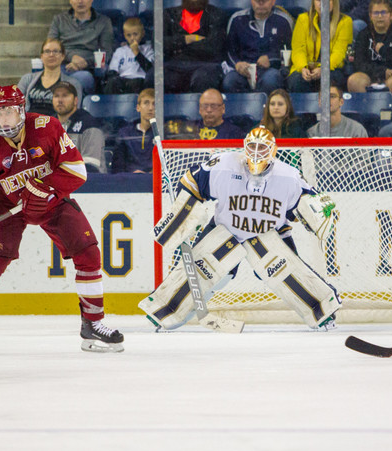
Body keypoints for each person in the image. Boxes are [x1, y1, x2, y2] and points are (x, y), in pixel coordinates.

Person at [0, 85, 123, 353]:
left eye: (9, 112)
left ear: (21, 110)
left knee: (88, 253)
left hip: (50, 199)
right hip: (8, 203)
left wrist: (47, 190)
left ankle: (93, 323)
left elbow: (77, 170)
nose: (4, 119)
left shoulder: (47, 127)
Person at [139, 127, 340, 331]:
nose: (256, 152)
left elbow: (307, 205)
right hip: (226, 230)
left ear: (273, 150)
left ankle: (322, 310)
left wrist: (316, 213)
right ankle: (164, 309)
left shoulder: (289, 177)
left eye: (262, 148)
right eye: (252, 146)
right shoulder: (224, 165)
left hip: (269, 234)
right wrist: (186, 212)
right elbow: (191, 182)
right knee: (200, 271)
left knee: (288, 273)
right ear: (244, 146)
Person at [223, 0, 294, 94]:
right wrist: (237, 64)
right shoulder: (237, 19)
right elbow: (228, 51)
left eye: (265, 0)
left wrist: (271, 59)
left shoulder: (284, 21)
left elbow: (290, 51)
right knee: (230, 81)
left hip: (272, 69)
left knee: (271, 80)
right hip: (243, 69)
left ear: (273, 1)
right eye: (257, 0)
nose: (260, 3)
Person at [47, 0, 114, 96]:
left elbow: (106, 53)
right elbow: (51, 47)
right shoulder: (59, 19)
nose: (80, 1)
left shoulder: (104, 21)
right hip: (62, 66)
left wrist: (85, 63)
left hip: (89, 69)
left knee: (83, 78)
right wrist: (72, 57)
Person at [346, 0, 392, 94]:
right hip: (371, 75)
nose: (379, 16)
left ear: (391, 15)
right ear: (370, 16)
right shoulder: (364, 34)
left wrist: (384, 51)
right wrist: (382, 71)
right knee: (354, 81)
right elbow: (359, 63)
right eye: (376, 13)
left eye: (383, 12)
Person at [287, 0, 354, 93]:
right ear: (313, 2)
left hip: (331, 68)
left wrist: (323, 69)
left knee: (332, 78)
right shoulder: (303, 19)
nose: (322, 3)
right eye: (318, 0)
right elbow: (298, 50)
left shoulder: (345, 21)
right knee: (297, 81)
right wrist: (303, 67)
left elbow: (339, 52)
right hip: (306, 68)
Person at [163, 0, 227, 93]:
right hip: (175, 65)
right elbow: (158, 44)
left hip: (206, 64)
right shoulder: (168, 14)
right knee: (154, 77)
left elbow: (213, 47)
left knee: (203, 79)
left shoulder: (217, 14)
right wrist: (187, 39)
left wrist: (179, 47)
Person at [17, 39, 84, 117]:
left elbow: (74, 113)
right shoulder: (27, 79)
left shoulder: (73, 84)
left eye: (55, 51)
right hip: (30, 122)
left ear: (62, 56)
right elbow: (15, 106)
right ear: (42, 56)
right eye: (47, 51)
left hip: (56, 123)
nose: (51, 55)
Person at [51, 82, 106, 173]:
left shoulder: (89, 125)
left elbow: (90, 168)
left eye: (65, 96)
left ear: (75, 101)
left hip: (89, 180)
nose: (60, 100)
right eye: (56, 96)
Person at [104, 18, 153, 95]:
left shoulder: (148, 49)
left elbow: (150, 70)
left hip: (139, 79)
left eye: (135, 34)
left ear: (143, 33)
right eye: (129, 35)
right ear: (124, 36)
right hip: (122, 79)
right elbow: (113, 70)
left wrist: (136, 52)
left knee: (137, 83)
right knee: (112, 82)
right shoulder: (120, 50)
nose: (132, 38)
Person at [113, 88, 156, 173]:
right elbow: (117, 167)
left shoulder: (162, 134)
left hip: (154, 180)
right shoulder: (124, 133)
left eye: (154, 104)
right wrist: (131, 176)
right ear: (138, 107)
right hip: (128, 180)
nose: (151, 108)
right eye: (146, 103)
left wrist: (149, 174)